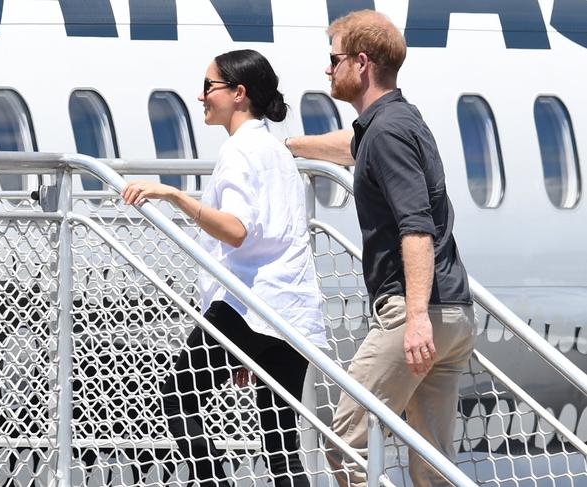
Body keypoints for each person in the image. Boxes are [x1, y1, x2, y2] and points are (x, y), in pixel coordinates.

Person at [286, 10, 476, 487]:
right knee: (432, 462)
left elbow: (416, 228)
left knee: (347, 437)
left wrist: (413, 320)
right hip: (453, 309)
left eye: (334, 59)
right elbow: (351, 147)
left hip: (418, 313)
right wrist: (287, 146)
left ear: (361, 63)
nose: (327, 70)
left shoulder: (387, 134)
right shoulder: (393, 122)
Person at [122, 49, 327, 487]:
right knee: (280, 438)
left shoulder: (238, 151)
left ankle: (214, 479)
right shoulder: (276, 151)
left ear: (239, 93)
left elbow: (235, 231)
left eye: (209, 87)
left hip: (247, 305)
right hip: (290, 311)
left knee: (178, 397)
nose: (201, 96)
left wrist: (174, 196)